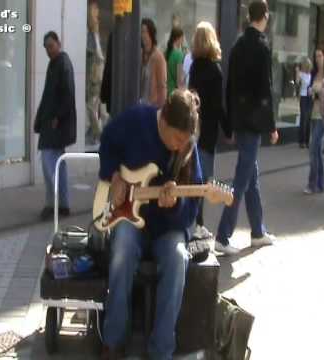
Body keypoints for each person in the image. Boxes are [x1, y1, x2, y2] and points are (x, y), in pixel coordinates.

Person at [98, 89, 203, 360]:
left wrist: (175, 205)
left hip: (165, 229)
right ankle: (113, 340)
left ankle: (161, 350)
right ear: (163, 122)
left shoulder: (188, 150)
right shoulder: (137, 119)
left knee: (178, 258)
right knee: (121, 249)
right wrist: (114, 176)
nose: (180, 145)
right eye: (177, 138)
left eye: (185, 140)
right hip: (127, 217)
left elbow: (191, 212)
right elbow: (107, 140)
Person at [214, 0, 279, 255]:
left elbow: (229, 88)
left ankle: (258, 232)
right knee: (243, 178)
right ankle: (222, 235)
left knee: (251, 177)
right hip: (253, 123)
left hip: (240, 121)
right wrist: (271, 126)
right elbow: (266, 91)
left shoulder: (238, 45)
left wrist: (229, 125)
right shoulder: (262, 46)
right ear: (265, 16)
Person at [188, 21, 232, 239]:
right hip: (207, 132)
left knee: (194, 177)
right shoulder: (215, 70)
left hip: (192, 127)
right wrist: (228, 129)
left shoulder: (195, 67)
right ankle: (197, 224)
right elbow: (217, 105)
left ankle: (194, 222)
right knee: (203, 180)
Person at [33, 31, 76, 220]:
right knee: (57, 164)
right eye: (46, 48)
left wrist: (57, 117)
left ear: (58, 43)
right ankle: (61, 204)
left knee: (49, 164)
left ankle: (54, 204)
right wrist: (40, 118)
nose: (48, 50)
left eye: (50, 46)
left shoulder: (62, 64)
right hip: (52, 123)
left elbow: (67, 95)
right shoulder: (55, 64)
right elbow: (48, 95)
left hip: (56, 124)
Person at [303, 48, 324, 195]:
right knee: (317, 152)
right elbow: (311, 89)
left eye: (320, 55)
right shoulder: (314, 73)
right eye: (315, 56)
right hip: (314, 114)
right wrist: (311, 90)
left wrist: (321, 92)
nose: (318, 58)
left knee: (312, 148)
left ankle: (312, 183)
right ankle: (321, 184)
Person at [86, 0, 105, 146]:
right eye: (95, 11)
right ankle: (96, 133)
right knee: (93, 107)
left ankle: (97, 134)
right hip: (94, 76)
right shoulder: (90, 35)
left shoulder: (95, 33)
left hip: (97, 75)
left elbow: (97, 56)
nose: (97, 14)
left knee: (96, 107)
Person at [140, 18, 167, 108]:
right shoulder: (140, 55)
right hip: (140, 105)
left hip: (152, 107)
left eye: (145, 32)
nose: (143, 35)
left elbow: (162, 86)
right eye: (141, 32)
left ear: (151, 33)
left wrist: (160, 109)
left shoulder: (158, 57)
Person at [295, 57, 312, 148]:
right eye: (307, 65)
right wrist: (297, 72)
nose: (308, 66)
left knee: (309, 119)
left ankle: (307, 141)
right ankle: (301, 141)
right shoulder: (301, 74)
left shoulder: (311, 75)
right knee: (303, 119)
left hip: (310, 98)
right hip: (303, 97)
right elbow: (297, 82)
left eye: (309, 65)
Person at [165, 26, 185, 97]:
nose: (183, 41)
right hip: (174, 95)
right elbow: (180, 81)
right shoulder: (179, 54)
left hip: (166, 93)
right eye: (182, 38)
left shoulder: (166, 52)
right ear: (178, 38)